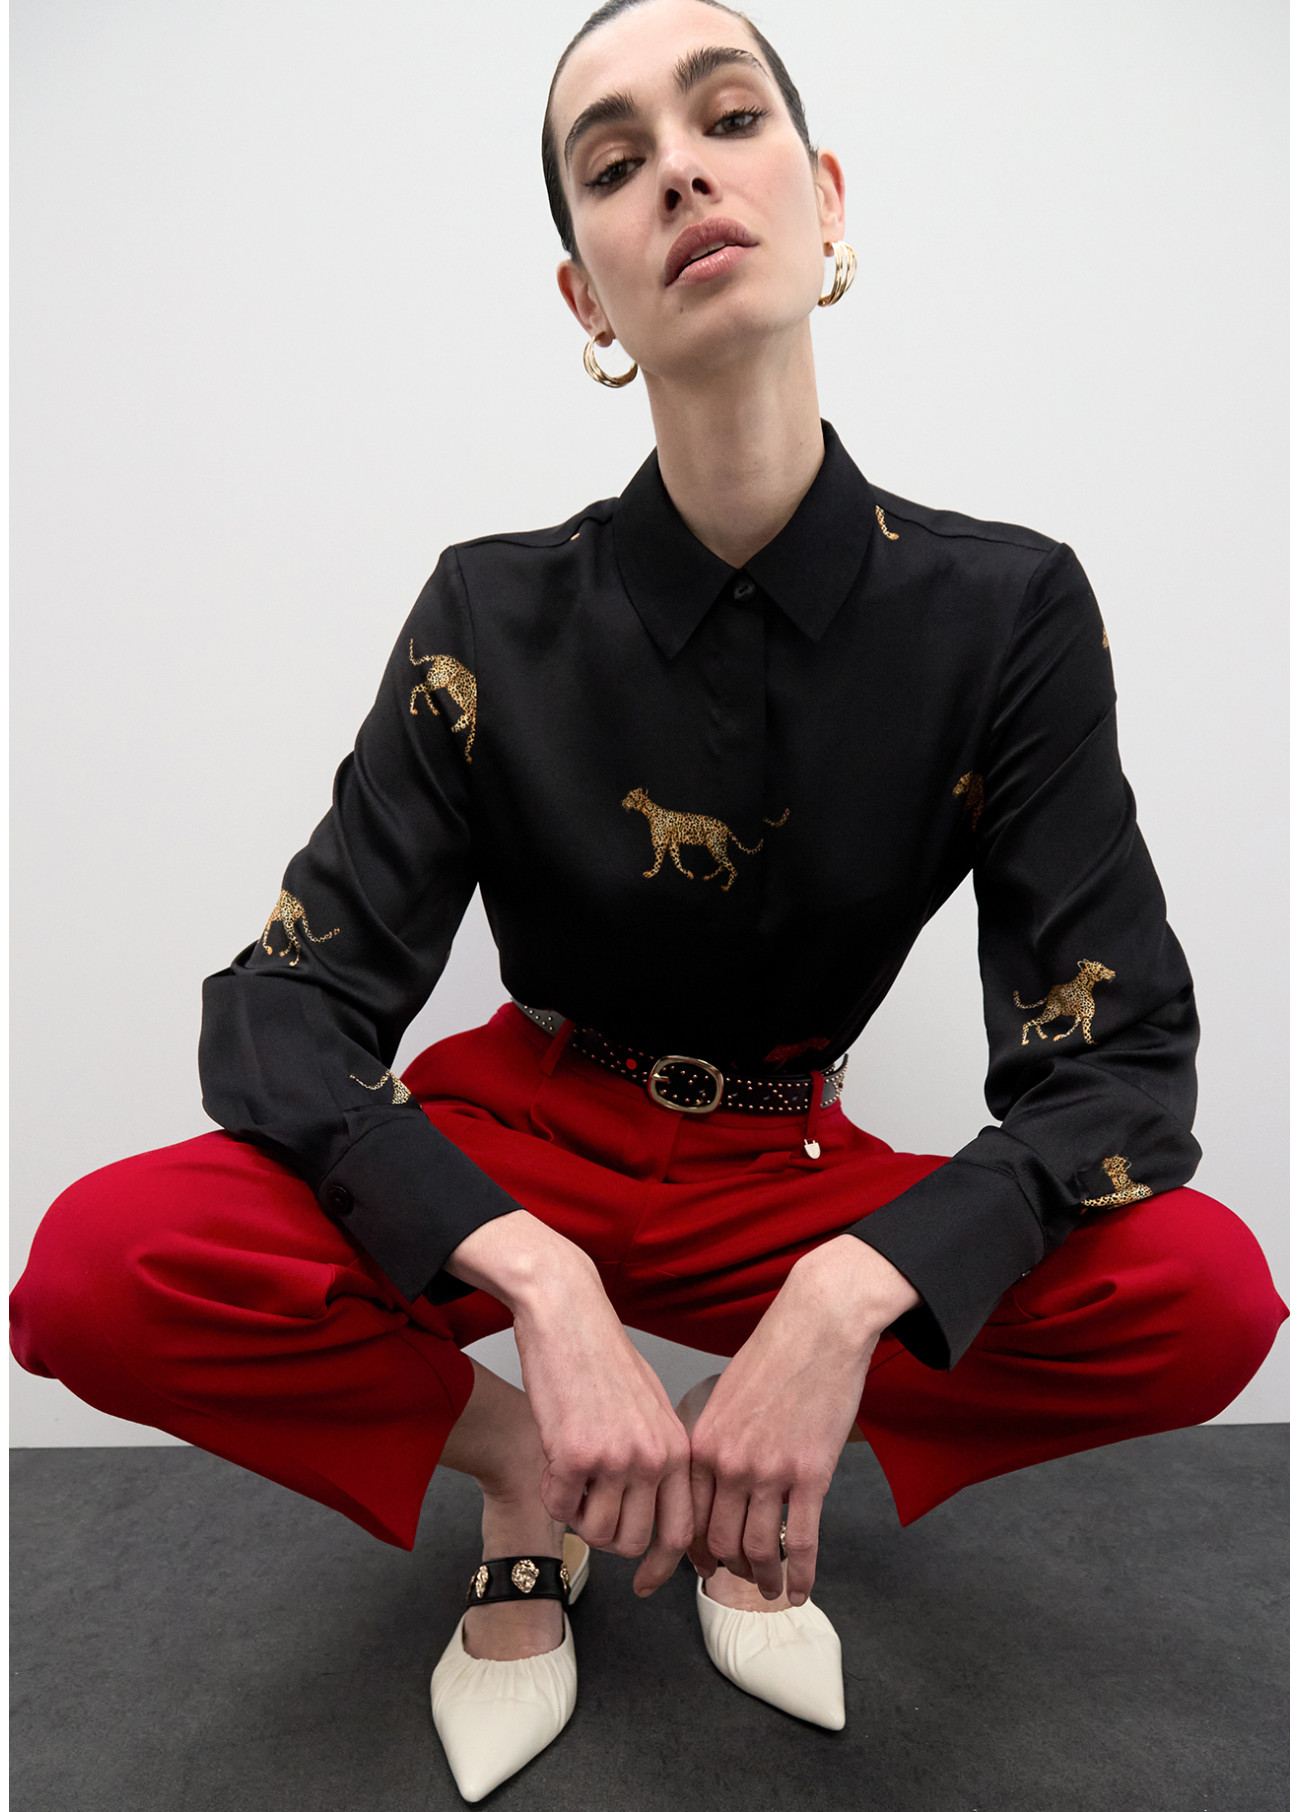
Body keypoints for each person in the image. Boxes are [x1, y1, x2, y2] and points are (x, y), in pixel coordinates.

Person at [10, 0, 1288, 1801]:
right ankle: (536, 1473)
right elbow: (284, 1007)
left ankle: (733, 1445)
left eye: (727, 119)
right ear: (587, 300)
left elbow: (1121, 1068)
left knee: (1203, 1291)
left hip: (793, 1168)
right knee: (97, 1268)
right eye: (613, 163)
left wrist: (841, 1305)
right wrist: (531, 1279)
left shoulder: (1006, 614)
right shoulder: (489, 612)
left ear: (824, 202)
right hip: (522, 1129)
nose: (680, 169)